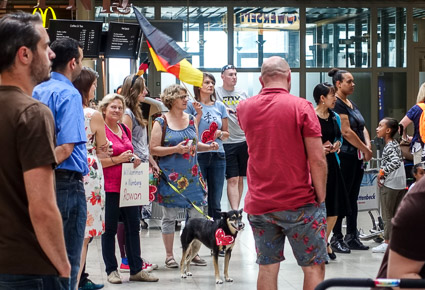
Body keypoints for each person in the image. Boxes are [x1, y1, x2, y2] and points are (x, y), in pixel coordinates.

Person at [237, 56, 328, 290]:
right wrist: (321, 197)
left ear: (261, 80)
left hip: (260, 203)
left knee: (267, 267)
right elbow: (317, 159)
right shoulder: (302, 107)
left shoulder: (244, 108)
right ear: (289, 77)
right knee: (313, 267)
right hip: (299, 202)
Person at [0, 12, 70, 289]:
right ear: (24, 54)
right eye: (45, 46)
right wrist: (64, 267)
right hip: (28, 266)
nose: (51, 54)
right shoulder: (32, 113)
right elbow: (42, 206)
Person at [33, 37, 89, 290]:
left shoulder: (36, 89)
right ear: (73, 62)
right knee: (66, 260)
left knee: (42, 258)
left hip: (37, 183)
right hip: (65, 183)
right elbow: (66, 147)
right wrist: (44, 164)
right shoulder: (68, 93)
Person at [150, 84, 219, 269]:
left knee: (197, 217)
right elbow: (153, 148)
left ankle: (192, 253)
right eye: (182, 97)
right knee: (170, 217)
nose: (186, 99)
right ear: (171, 100)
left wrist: (208, 145)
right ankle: (170, 255)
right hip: (170, 178)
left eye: (185, 96)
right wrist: (175, 149)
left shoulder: (190, 119)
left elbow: (195, 144)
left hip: (193, 176)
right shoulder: (161, 121)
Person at [98, 93, 159, 284]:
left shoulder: (124, 128)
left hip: (128, 186)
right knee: (110, 229)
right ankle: (111, 270)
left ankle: (136, 269)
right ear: (104, 109)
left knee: (133, 227)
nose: (116, 110)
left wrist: (134, 159)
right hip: (110, 186)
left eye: (119, 107)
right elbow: (99, 161)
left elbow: (129, 152)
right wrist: (119, 159)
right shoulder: (101, 130)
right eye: (112, 107)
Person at [328, 68, 372, 254]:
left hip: (357, 158)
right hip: (344, 157)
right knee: (342, 197)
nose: (353, 84)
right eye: (349, 81)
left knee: (353, 197)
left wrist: (367, 148)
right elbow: (346, 131)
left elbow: (362, 127)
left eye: (353, 81)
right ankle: (336, 237)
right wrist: (365, 149)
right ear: (338, 84)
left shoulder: (351, 103)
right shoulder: (337, 104)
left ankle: (352, 236)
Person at [73, 67, 107, 290]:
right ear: (87, 86)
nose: (95, 88)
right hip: (89, 168)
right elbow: (104, 148)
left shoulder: (62, 109)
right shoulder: (93, 115)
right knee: (84, 236)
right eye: (94, 84)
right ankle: (75, 283)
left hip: (68, 166)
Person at [120, 73, 158, 272]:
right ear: (134, 90)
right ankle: (127, 259)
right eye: (143, 88)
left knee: (134, 216)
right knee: (129, 217)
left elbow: (141, 143)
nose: (146, 92)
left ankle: (133, 258)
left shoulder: (136, 110)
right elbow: (125, 143)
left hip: (141, 166)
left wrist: (151, 160)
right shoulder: (127, 112)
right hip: (131, 169)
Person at [313, 82, 350, 262]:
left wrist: (337, 145)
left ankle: (324, 241)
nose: (335, 99)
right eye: (332, 96)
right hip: (316, 165)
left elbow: (339, 137)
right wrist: (319, 148)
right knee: (318, 206)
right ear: (322, 98)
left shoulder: (334, 116)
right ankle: (320, 244)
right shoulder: (311, 117)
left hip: (333, 164)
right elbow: (304, 142)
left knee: (335, 206)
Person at [186, 73, 229, 220]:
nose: (210, 85)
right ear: (199, 86)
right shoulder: (191, 106)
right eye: (207, 83)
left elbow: (227, 133)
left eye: (212, 82)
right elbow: (189, 130)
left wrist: (220, 134)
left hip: (218, 154)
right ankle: (193, 231)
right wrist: (198, 113)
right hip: (198, 155)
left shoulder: (220, 106)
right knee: (197, 195)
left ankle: (215, 232)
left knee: (215, 198)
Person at [373, 177, 425, 289]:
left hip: (395, 184)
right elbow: (399, 278)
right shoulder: (419, 203)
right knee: (388, 214)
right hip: (398, 281)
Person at [215, 64, 250, 210]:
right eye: (230, 74)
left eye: (235, 74)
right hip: (227, 141)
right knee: (232, 177)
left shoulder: (242, 93)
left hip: (243, 140)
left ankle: (236, 210)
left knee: (241, 178)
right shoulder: (216, 93)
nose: (234, 77)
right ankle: (234, 211)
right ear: (222, 76)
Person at [372, 117, 406, 254]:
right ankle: (395, 241)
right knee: (396, 214)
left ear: (387, 130)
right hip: (400, 183)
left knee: (387, 214)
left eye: (380, 126)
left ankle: (387, 242)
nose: (377, 128)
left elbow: (395, 162)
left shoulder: (390, 145)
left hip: (390, 184)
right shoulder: (395, 144)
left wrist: (382, 172)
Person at [399, 83, 425, 165]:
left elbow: (401, 125)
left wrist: (405, 138)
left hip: (420, 146)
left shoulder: (417, 108)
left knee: (420, 174)